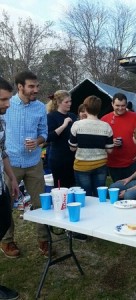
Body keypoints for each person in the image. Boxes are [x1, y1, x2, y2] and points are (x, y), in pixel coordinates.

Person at [1, 71, 50, 258]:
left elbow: (44, 133)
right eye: (31, 86)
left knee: (41, 203)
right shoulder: (6, 104)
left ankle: (44, 240)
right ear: (20, 86)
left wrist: (38, 141)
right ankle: (7, 241)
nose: (35, 90)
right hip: (10, 163)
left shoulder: (40, 108)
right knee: (7, 204)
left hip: (34, 162)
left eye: (37, 86)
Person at [69, 95, 114, 196]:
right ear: (99, 108)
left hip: (82, 165)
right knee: (100, 195)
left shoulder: (77, 125)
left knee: (85, 196)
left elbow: (72, 148)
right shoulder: (106, 126)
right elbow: (110, 150)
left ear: (85, 107)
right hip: (101, 165)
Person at [0, 77, 20, 300]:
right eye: (3, 100)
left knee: (5, 221)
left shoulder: (1, 122)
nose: (8, 104)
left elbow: (2, 152)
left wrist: (12, 178)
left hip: (1, 186)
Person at [101, 93, 136, 182]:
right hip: (113, 163)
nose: (120, 108)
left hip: (133, 162)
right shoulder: (105, 120)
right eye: (117, 105)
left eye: (123, 105)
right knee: (118, 189)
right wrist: (110, 142)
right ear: (112, 104)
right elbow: (98, 141)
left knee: (134, 190)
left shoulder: (135, 117)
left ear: (126, 104)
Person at [47, 90, 77, 188]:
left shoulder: (72, 116)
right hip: (58, 158)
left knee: (73, 185)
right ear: (59, 103)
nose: (70, 104)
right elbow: (49, 137)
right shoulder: (51, 116)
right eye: (66, 102)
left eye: (70, 101)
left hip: (72, 156)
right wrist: (64, 125)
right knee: (61, 187)